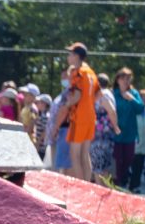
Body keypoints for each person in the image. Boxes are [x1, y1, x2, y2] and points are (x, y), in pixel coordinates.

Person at [56, 43, 99, 182]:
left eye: (70, 54)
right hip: (90, 116)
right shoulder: (90, 72)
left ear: (76, 56)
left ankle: (81, 187)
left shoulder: (78, 72)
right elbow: (98, 94)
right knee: (84, 154)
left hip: (79, 116)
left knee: (74, 154)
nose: (68, 57)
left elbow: (77, 96)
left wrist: (66, 105)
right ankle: (88, 185)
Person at [111, 68, 145, 189]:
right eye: (124, 78)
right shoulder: (113, 93)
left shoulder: (134, 93)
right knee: (117, 160)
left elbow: (141, 109)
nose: (126, 81)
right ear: (118, 79)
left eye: (128, 79)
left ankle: (122, 182)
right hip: (115, 134)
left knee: (128, 159)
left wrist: (131, 99)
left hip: (130, 134)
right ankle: (117, 184)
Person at [47, 66, 77, 176]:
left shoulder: (71, 93)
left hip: (65, 130)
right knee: (59, 166)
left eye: (66, 76)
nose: (64, 78)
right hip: (58, 134)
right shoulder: (64, 93)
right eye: (62, 76)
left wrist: (56, 128)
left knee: (66, 166)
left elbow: (64, 111)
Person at [91, 72, 120, 184]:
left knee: (98, 165)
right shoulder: (109, 93)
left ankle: (100, 189)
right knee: (103, 165)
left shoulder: (102, 94)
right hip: (106, 133)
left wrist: (116, 125)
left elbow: (111, 111)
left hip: (100, 134)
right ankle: (103, 187)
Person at [131, 89, 145, 193]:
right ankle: (128, 183)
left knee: (140, 164)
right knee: (131, 163)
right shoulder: (133, 109)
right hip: (134, 140)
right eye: (143, 99)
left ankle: (136, 185)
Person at [33, 93, 52, 160]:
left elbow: (45, 131)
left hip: (40, 146)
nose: (37, 104)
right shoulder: (42, 115)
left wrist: (38, 143)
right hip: (40, 145)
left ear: (44, 104)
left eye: (39, 102)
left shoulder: (45, 116)